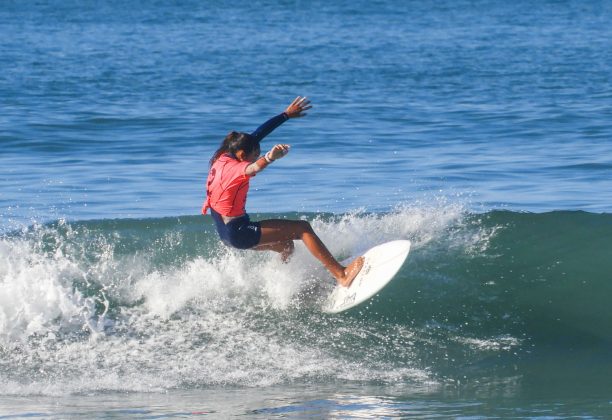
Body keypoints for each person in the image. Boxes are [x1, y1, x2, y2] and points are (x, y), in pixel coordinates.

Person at [202, 96, 364, 287]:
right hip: (239, 232)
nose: (256, 156)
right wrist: (270, 157)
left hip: (226, 234)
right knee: (302, 228)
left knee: (287, 246)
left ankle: (287, 287)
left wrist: (286, 115)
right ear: (243, 156)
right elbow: (253, 168)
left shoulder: (223, 157)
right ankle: (341, 274)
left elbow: (258, 134)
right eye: (255, 154)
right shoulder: (237, 169)